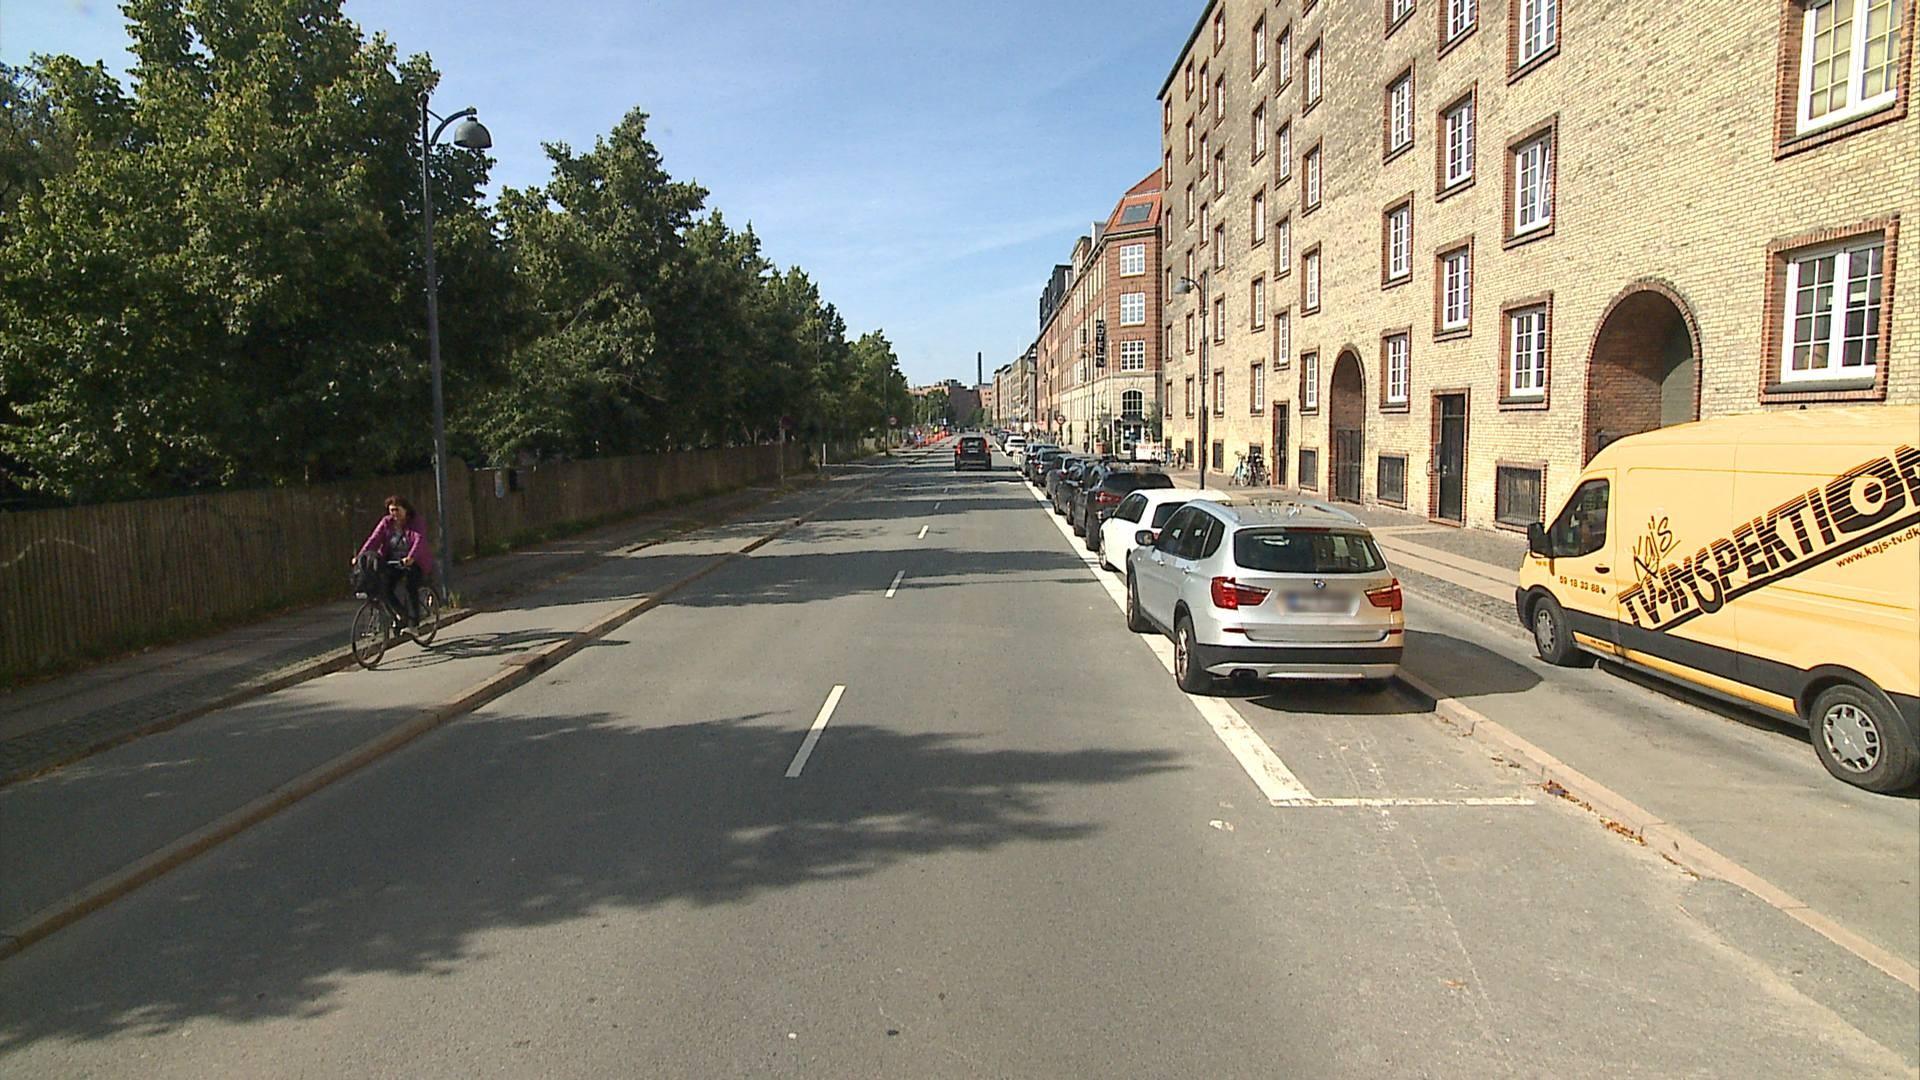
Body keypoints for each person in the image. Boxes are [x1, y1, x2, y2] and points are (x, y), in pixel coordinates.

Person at [355, 496, 433, 629]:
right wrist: (361, 555)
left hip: (415, 561)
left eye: (397, 510)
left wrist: (411, 557)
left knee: (410, 585)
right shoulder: (387, 522)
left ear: (405, 510)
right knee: (384, 586)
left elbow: (419, 540)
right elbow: (374, 539)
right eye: (391, 510)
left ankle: (414, 623)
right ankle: (401, 614)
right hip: (393, 561)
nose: (394, 514)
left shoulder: (416, 522)